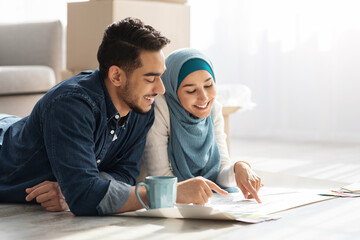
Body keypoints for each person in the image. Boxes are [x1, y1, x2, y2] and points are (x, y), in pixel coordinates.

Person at [0, 17, 171, 215]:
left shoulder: (141, 107)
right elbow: (84, 198)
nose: (161, 89)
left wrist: (74, 187)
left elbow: (125, 176)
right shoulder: (70, 105)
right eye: (150, 78)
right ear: (116, 76)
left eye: (161, 76)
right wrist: (167, 195)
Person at [141, 48, 262, 205]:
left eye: (208, 85)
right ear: (173, 90)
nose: (204, 98)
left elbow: (219, 171)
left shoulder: (214, 109)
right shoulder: (159, 110)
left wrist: (238, 169)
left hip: (205, 202)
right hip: (162, 200)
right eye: (191, 90)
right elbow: (161, 178)